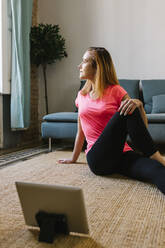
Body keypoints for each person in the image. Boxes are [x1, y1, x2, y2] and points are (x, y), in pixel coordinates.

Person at [58, 47, 165, 194]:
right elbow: (80, 131)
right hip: (98, 158)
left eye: (84, 61)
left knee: (155, 169)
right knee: (128, 108)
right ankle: (157, 156)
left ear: (98, 66)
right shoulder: (81, 96)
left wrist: (139, 105)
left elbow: (140, 128)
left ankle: (156, 159)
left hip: (122, 155)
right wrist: (73, 158)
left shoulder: (116, 91)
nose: (79, 66)